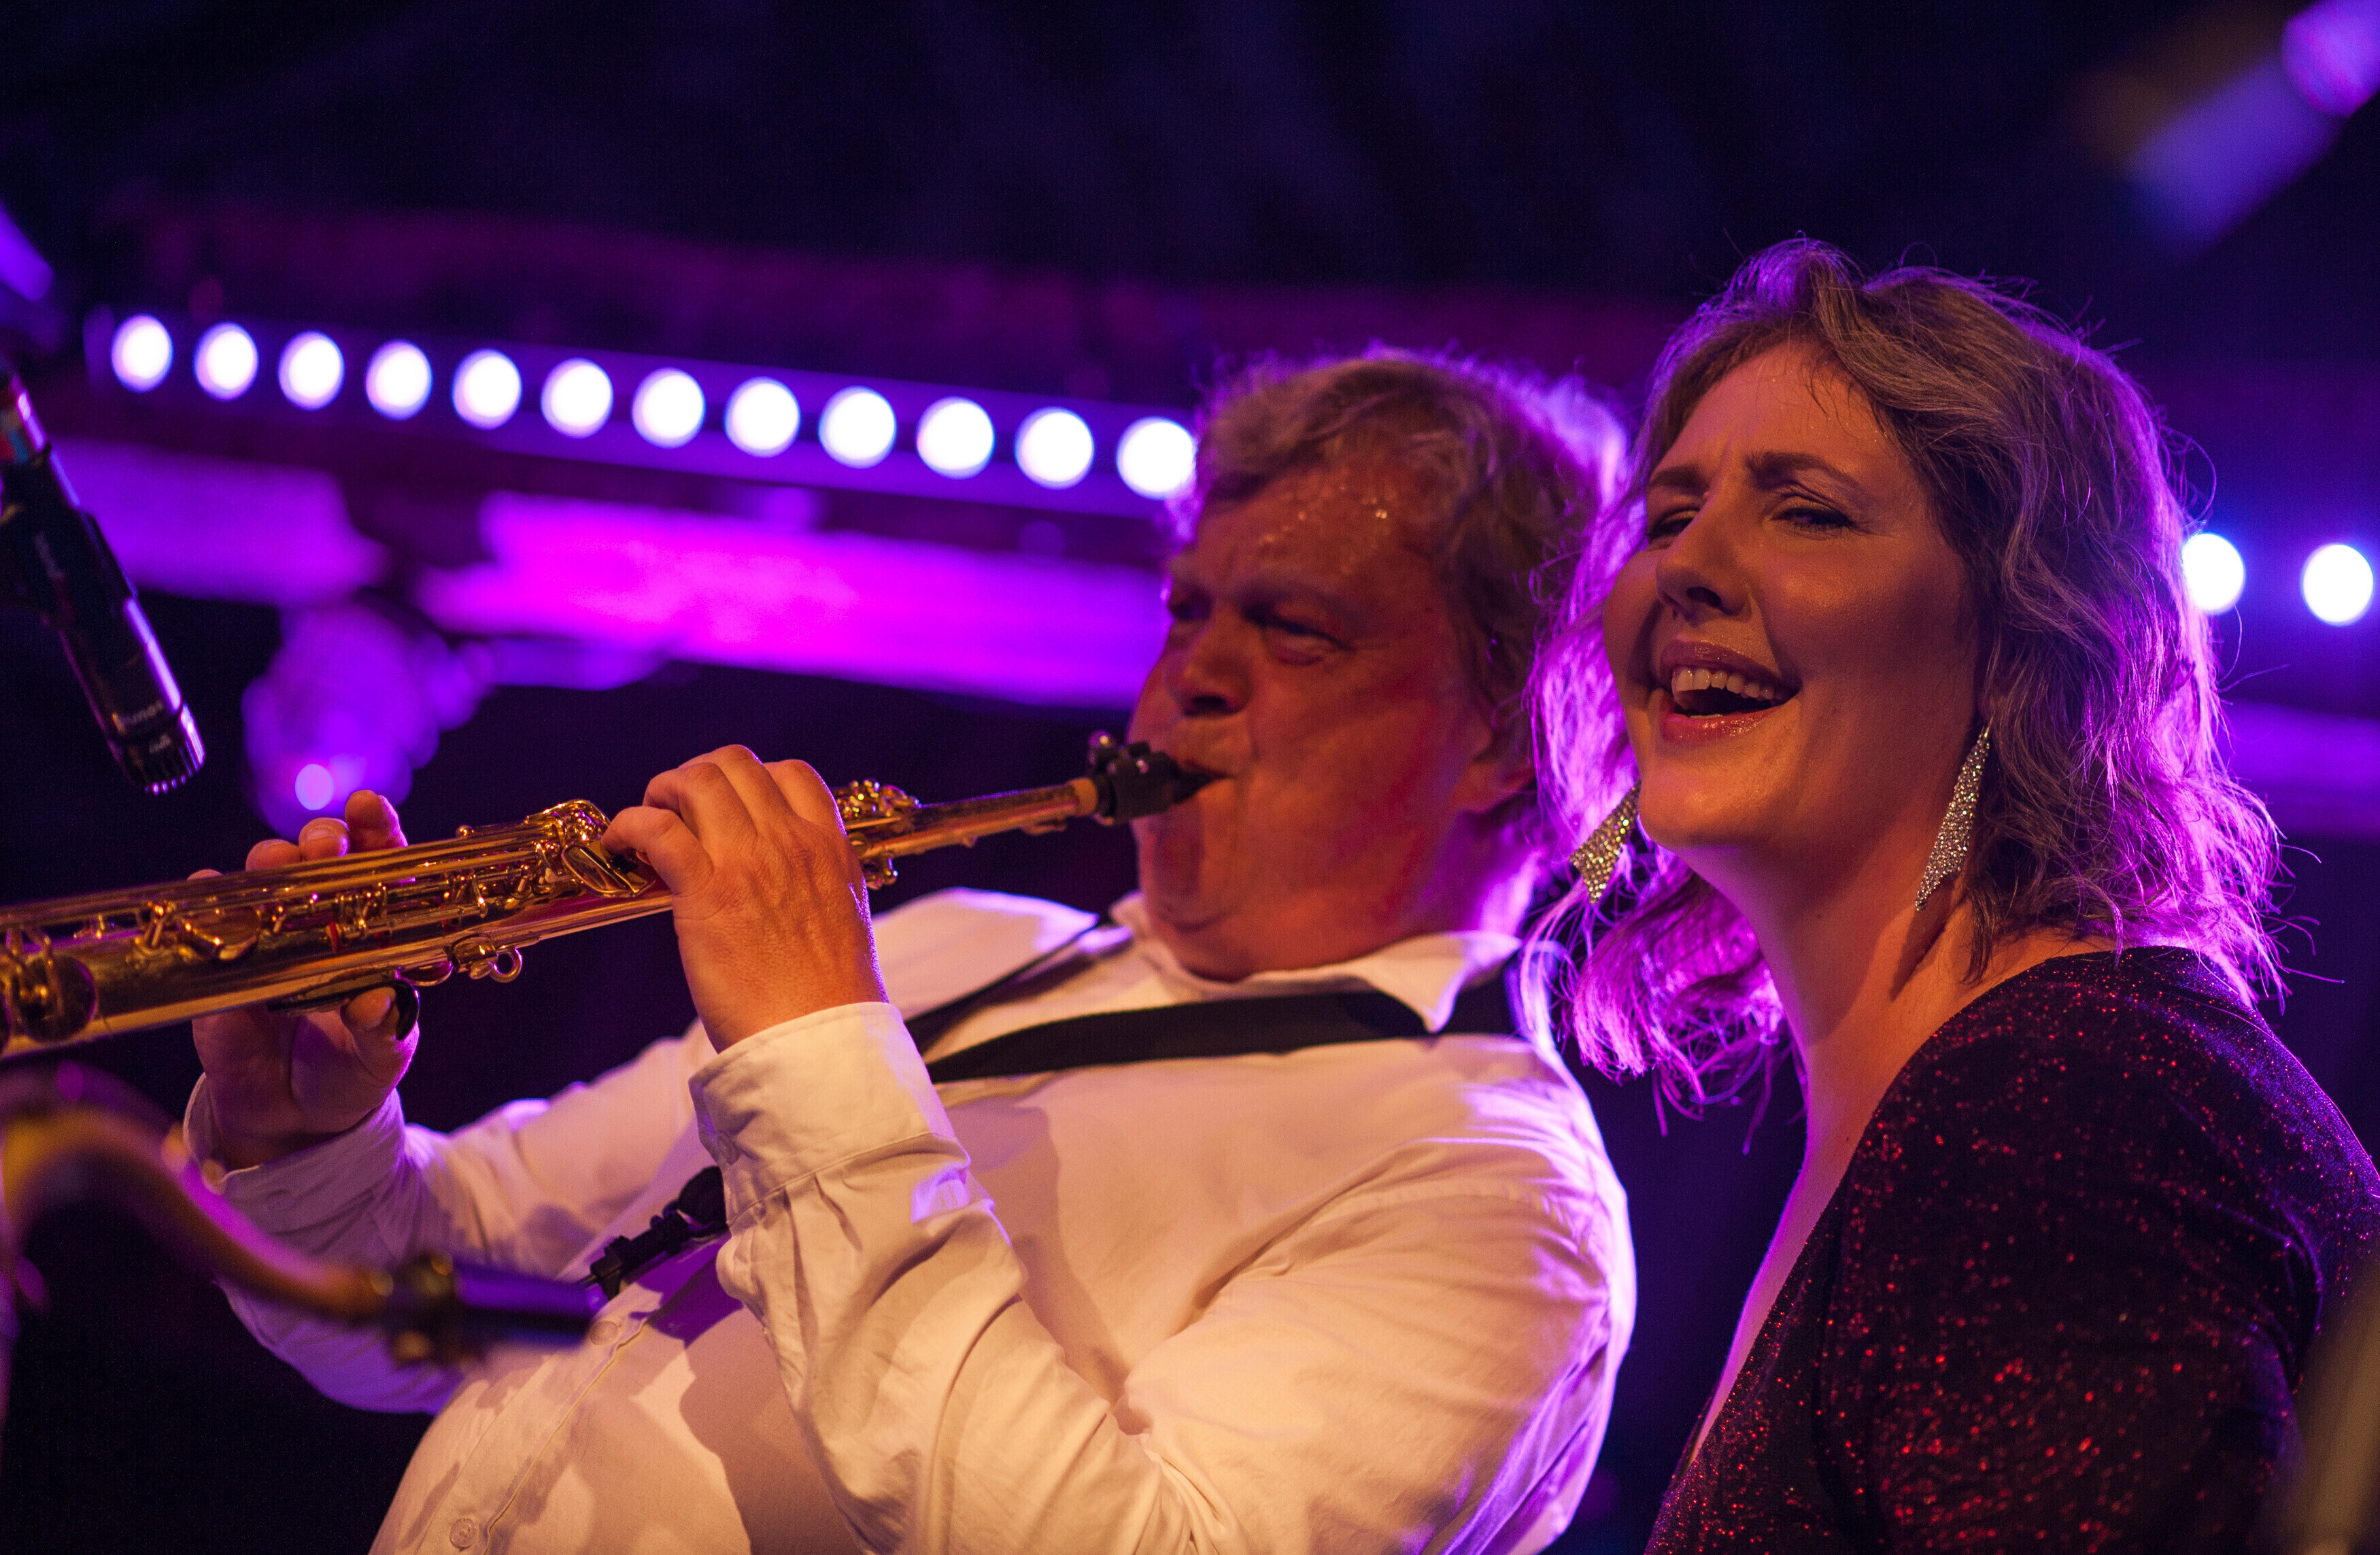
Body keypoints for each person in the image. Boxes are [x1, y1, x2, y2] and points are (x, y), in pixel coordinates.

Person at [188, 350, 1637, 1555]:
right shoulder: (961, 943)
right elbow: (438, 1295)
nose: (1192, 671)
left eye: (1298, 629)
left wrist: (816, 1052)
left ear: (1510, 736)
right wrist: (308, 1143)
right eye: (1188, 607)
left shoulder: (1494, 1194)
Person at [1529, 237, 2380, 1548]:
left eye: (1806, 510)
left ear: (2022, 636)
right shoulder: (1995, 1090)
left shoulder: (2054, 1114)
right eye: (1669, 515)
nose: (1684, 566)